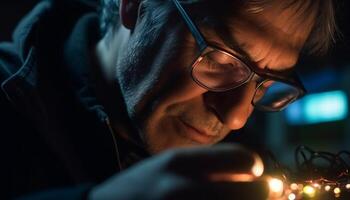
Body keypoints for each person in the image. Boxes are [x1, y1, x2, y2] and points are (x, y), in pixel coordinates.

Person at [0, 0, 337, 199]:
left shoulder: (243, 165)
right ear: (133, 5)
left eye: (263, 85)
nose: (236, 118)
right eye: (221, 62)